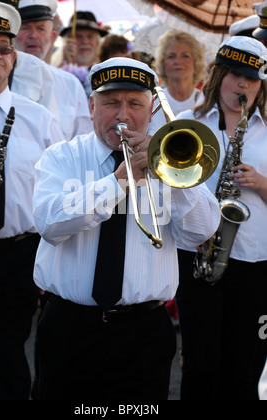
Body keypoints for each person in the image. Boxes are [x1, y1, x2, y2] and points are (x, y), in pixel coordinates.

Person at [32, 56, 220, 401]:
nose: (122, 115)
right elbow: (49, 223)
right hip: (69, 327)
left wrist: (174, 179)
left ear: (151, 112)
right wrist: (117, 182)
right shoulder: (61, 157)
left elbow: (203, 231)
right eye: (110, 102)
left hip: (143, 330)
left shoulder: (172, 163)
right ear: (91, 106)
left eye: (134, 104)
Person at [0, 0, 65, 400]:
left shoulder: (40, 118)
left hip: (19, 259)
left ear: (14, 58)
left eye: (4, 48)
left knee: (8, 360)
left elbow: (61, 191)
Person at [175, 36, 267, 400]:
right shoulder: (187, 122)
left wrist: (261, 183)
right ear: (218, 74)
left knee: (243, 371)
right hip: (196, 256)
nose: (242, 85)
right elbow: (168, 190)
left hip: (255, 262)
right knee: (199, 365)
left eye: (252, 79)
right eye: (234, 75)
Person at [15, 0, 92, 140]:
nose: (33, 35)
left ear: (51, 37)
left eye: (40, 28)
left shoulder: (71, 85)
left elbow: (82, 143)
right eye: (25, 27)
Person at [149, 29, 206, 136]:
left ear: (196, 63)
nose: (178, 61)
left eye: (185, 56)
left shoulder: (206, 102)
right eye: (171, 56)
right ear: (162, 64)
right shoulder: (154, 104)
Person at [58, 11, 109, 99]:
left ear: (97, 42)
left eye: (90, 37)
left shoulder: (108, 75)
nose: (85, 41)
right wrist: (66, 63)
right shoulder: (55, 73)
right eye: (78, 36)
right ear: (67, 41)